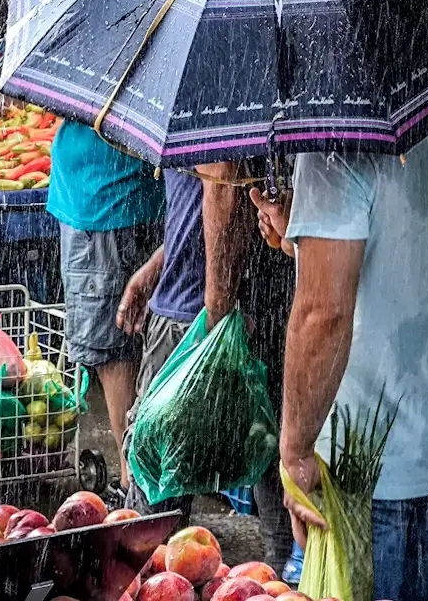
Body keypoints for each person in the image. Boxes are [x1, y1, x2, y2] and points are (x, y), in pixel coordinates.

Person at [249, 102, 428, 601]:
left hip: (372, 462)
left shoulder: (339, 140)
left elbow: (322, 314)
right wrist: (301, 236)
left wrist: (294, 451)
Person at [116, 162, 295, 570]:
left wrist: (216, 319)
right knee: (273, 469)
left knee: (155, 506)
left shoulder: (215, 113)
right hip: (240, 307)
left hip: (200, 319)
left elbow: (223, 180)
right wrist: (158, 267)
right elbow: (204, 195)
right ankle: (281, 583)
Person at [48, 0, 166, 488]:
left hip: (104, 196)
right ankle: (142, 463)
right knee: (137, 334)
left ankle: (131, 471)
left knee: (115, 342)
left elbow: (69, 86)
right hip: (126, 191)